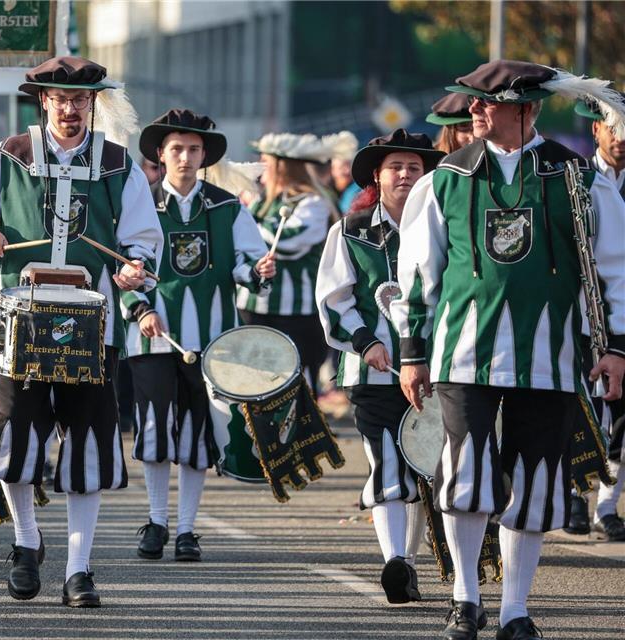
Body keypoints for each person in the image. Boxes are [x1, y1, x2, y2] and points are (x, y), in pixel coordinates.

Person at [391, 60, 625, 640]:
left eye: (485, 102)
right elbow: (419, 273)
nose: (473, 109)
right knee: (465, 476)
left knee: (537, 479)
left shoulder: (578, 178)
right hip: (462, 353)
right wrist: (412, 351)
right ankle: (465, 601)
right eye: (471, 101)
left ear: (526, 109)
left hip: (551, 355)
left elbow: (616, 269)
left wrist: (615, 347)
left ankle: (517, 610)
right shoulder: (443, 179)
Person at [0, 56, 162, 607]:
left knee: (87, 442)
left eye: (80, 101)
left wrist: (135, 267)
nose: (70, 109)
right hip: (18, 322)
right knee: (15, 437)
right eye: (60, 99)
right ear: (43, 101)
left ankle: (80, 571)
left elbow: (144, 239)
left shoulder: (117, 164)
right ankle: (25, 542)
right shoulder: (10, 155)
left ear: (93, 104)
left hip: (96, 328)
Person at [124, 109, 274, 563]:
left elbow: (246, 266)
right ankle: (156, 520)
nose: (185, 157)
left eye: (192, 149)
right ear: (160, 155)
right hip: (152, 337)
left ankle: (187, 530)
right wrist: (140, 308)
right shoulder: (140, 205)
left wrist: (259, 271)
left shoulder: (228, 207)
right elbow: (123, 272)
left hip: (211, 342)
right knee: (153, 429)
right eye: (176, 150)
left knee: (196, 434)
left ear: (204, 154)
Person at [316, 129, 444, 604]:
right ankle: (394, 562)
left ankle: (404, 563)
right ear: (378, 175)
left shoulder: (443, 224)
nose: (406, 175)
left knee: (422, 468)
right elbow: (334, 299)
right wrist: (366, 342)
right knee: (388, 460)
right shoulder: (349, 231)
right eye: (396, 167)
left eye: (414, 166)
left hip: (433, 370)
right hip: (373, 373)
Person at [564, 94, 625, 542]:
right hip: (581, 316)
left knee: (621, 416)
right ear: (596, 131)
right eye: (613, 128)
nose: (621, 139)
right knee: (578, 406)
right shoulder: (576, 180)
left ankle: (608, 505)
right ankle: (576, 496)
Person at [236, 132, 342, 391]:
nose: (261, 168)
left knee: (299, 380)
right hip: (254, 306)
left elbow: (285, 240)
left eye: (266, 162)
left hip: (297, 310)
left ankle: (303, 432)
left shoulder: (313, 202)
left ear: (282, 167)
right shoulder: (263, 200)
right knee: (256, 380)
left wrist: (249, 224)